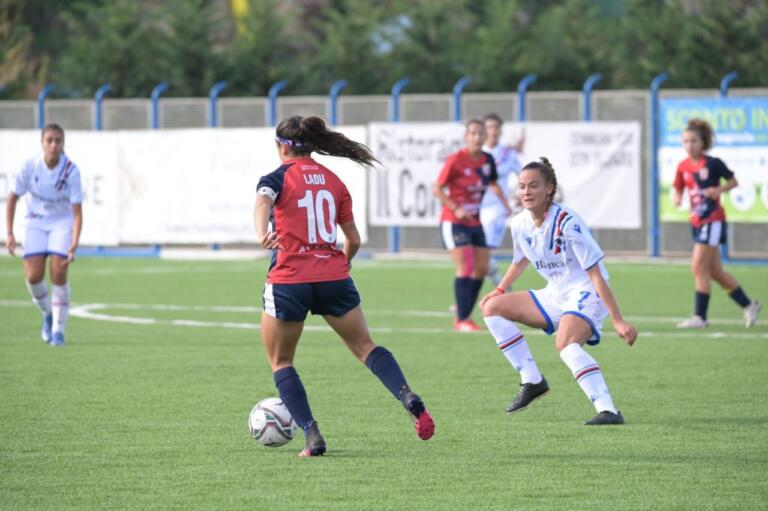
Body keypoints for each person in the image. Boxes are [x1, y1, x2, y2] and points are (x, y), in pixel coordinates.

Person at [254, 115, 435, 457]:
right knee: (366, 347)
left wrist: (262, 232)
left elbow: (263, 200)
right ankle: (407, 394)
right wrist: (343, 262)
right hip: (334, 277)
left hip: (290, 279)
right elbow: (353, 238)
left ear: (282, 147)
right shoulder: (334, 182)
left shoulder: (275, 178)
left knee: (281, 361)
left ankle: (312, 435)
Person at [479, 157, 637, 425]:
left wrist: (618, 320)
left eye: (534, 186)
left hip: (587, 292)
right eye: (521, 187)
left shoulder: (568, 223)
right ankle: (532, 380)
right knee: (491, 308)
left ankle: (608, 410)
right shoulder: (519, 224)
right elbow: (520, 260)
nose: (526, 192)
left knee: (565, 343)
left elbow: (596, 274)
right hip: (556, 293)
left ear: (549, 188)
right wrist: (500, 288)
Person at [672, 118, 761, 328]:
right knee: (715, 273)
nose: (689, 145)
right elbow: (678, 187)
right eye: (685, 141)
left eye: (693, 141)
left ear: (703, 142)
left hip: (712, 220)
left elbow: (733, 181)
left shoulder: (713, 163)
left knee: (697, 267)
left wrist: (718, 190)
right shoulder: (683, 166)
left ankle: (700, 317)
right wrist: (676, 197)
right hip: (696, 221)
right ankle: (750, 305)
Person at [5, 123, 83, 347]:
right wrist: (9, 233)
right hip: (36, 222)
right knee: (33, 276)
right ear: (42, 143)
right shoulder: (30, 166)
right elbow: (12, 198)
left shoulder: (71, 171)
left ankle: (59, 330)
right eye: (49, 140)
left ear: (63, 144)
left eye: (58, 141)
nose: (53, 145)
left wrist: (74, 243)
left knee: (58, 272)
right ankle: (48, 313)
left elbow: (77, 213)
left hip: (61, 222)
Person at [433, 118, 511, 332]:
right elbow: (437, 189)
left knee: (482, 268)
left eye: (480, 133)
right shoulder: (456, 160)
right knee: (466, 266)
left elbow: (493, 183)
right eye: (473, 133)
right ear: (467, 137)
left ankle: (466, 317)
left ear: (485, 137)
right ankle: (461, 319)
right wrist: (455, 207)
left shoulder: (487, 160)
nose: (477, 137)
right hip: (454, 221)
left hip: (475, 221)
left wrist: (506, 204)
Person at [480, 113, 524, 289]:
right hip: (476, 208)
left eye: (496, 127)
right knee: (479, 255)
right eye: (489, 127)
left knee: (483, 253)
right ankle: (505, 289)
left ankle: (466, 300)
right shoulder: (478, 153)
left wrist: (521, 195)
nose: (493, 131)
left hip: (496, 209)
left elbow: (522, 175)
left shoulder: (507, 154)